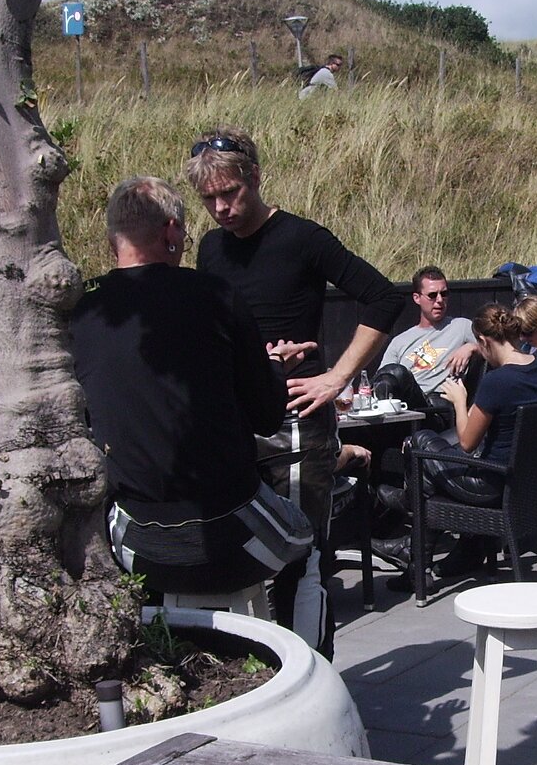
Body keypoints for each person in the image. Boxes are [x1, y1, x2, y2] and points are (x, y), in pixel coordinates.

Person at [186, 126, 402, 654]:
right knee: (244, 555)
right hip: (235, 422)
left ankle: (315, 675)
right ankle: (266, 671)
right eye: (209, 198)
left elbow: (382, 297)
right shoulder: (211, 248)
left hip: (297, 423)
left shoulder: (302, 238)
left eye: (230, 193)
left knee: (302, 556)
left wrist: (338, 376)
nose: (221, 208)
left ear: (255, 178)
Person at [70, 177, 312, 597]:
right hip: (231, 529)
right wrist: (274, 364)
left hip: (135, 541)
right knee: (308, 543)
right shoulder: (215, 295)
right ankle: (298, 640)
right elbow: (267, 417)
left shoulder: (81, 308)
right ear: (169, 231)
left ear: (113, 239)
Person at [377, 303, 537, 580]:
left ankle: (411, 516)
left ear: (484, 342)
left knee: (420, 441)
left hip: (493, 485)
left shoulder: (497, 381)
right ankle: (437, 559)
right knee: (428, 477)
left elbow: (467, 443)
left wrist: (459, 400)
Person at [373, 265, 479, 424]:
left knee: (397, 372)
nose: (439, 300)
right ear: (417, 298)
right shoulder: (400, 341)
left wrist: (472, 347)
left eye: (444, 294)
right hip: (404, 407)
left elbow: (496, 348)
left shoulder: (461, 327)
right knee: (393, 374)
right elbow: (381, 381)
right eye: (432, 295)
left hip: (438, 409)